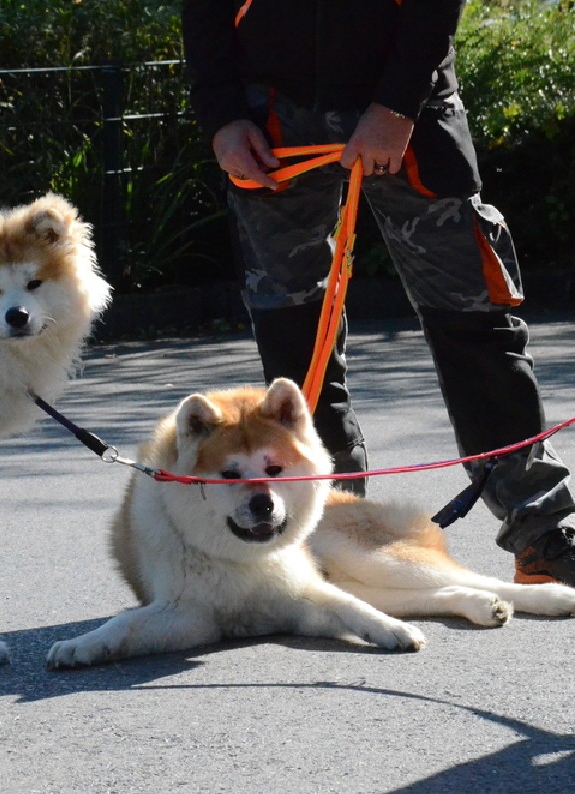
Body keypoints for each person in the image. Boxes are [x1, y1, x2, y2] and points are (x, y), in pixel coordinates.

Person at [181, 0, 575, 585]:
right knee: (296, 344)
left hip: (411, 109)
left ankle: (540, 533)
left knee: (474, 319)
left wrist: (396, 104)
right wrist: (221, 117)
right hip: (271, 117)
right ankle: (330, 541)